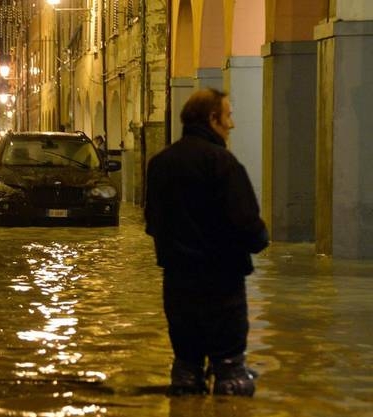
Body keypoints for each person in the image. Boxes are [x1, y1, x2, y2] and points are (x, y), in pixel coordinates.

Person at [144, 88, 269, 397]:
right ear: (213, 119)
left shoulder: (160, 164)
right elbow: (247, 222)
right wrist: (260, 239)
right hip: (222, 283)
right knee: (232, 379)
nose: (232, 124)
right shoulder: (223, 163)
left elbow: (152, 223)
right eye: (228, 116)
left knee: (186, 372)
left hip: (177, 282)